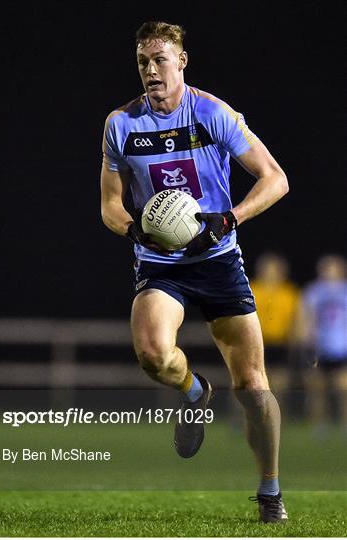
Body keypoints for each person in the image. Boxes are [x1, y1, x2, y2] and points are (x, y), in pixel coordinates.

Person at [100, 21, 289, 523]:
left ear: (182, 62)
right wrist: (135, 231)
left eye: (160, 59)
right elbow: (110, 207)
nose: (150, 70)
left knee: (252, 385)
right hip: (163, 263)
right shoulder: (121, 123)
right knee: (152, 354)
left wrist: (230, 218)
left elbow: (276, 179)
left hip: (219, 259)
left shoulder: (212, 113)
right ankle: (195, 394)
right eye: (143, 61)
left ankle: (269, 492)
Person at [299, 255, 347, 434]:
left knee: (343, 389)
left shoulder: (345, 291)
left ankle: (344, 425)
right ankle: (320, 425)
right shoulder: (313, 291)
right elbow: (306, 316)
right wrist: (306, 337)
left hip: (342, 347)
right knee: (317, 388)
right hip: (319, 346)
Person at [250, 253, 300, 412]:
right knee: (250, 384)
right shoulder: (251, 288)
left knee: (279, 385)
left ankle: (276, 417)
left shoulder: (290, 292)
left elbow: (295, 319)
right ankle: (242, 421)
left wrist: (294, 340)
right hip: (256, 343)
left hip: (280, 342)